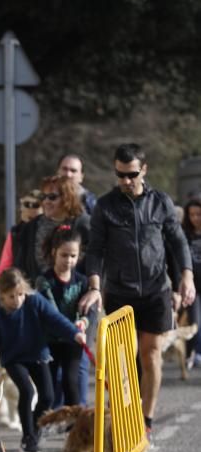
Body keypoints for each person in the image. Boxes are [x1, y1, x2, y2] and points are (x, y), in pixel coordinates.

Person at [80, 143, 195, 436]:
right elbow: (95, 250)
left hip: (157, 290)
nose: (125, 181)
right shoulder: (106, 206)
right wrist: (94, 286)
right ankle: (124, 417)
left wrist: (187, 276)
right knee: (122, 359)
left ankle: (145, 420)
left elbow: (178, 241)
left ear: (143, 170)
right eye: (120, 175)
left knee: (151, 353)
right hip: (120, 291)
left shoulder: (161, 202)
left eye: (131, 174)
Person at [0, 268, 86, 452]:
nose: (18, 300)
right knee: (26, 391)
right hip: (13, 359)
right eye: (11, 296)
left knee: (48, 397)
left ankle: (34, 430)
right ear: (1, 296)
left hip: (38, 355)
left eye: (20, 294)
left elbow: (55, 319)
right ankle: (28, 437)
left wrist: (74, 333)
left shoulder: (34, 301)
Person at [36, 225, 95, 406]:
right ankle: (46, 419)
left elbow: (90, 310)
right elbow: (51, 313)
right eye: (64, 255)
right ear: (54, 252)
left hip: (73, 341)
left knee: (71, 381)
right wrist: (72, 329)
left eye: (73, 256)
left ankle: (75, 423)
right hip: (50, 340)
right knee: (50, 385)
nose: (68, 260)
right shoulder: (44, 281)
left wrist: (84, 322)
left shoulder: (82, 281)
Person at [20, 175, 90, 284]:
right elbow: (21, 266)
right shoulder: (30, 227)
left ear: (67, 197)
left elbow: (92, 263)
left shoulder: (83, 224)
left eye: (52, 197)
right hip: (38, 294)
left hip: (74, 294)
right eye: (43, 197)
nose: (46, 201)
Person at [0, 190, 43, 282]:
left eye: (35, 205)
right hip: (20, 290)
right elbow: (5, 267)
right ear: (21, 207)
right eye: (26, 204)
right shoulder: (15, 233)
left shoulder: (48, 231)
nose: (30, 208)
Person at [182, 197, 201, 367]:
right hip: (193, 287)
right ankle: (193, 354)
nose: (195, 218)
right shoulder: (184, 235)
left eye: (199, 214)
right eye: (192, 214)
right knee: (195, 320)